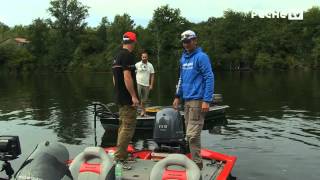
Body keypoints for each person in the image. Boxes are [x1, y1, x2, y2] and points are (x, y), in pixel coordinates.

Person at [172, 30, 214, 169]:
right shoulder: (183, 59)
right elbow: (181, 78)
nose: (186, 44)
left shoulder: (201, 57)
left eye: (189, 41)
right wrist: (177, 96)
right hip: (187, 100)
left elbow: (209, 77)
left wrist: (206, 100)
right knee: (191, 135)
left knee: (192, 135)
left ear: (195, 40)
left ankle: (196, 165)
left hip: (198, 100)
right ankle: (196, 162)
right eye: (184, 42)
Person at [112, 31, 139, 167]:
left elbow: (114, 79)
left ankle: (120, 154)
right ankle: (120, 158)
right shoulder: (128, 56)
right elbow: (127, 77)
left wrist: (118, 91)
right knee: (128, 127)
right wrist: (133, 96)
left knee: (122, 126)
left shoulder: (117, 56)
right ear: (133, 42)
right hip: (127, 99)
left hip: (119, 97)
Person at [135, 51, 155, 116]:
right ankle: (136, 111)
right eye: (143, 57)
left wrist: (151, 85)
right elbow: (133, 73)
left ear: (147, 57)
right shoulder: (137, 64)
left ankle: (143, 111)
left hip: (146, 85)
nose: (144, 58)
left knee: (144, 100)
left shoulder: (150, 65)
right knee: (137, 98)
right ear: (141, 57)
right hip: (138, 83)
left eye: (145, 57)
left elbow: (152, 75)